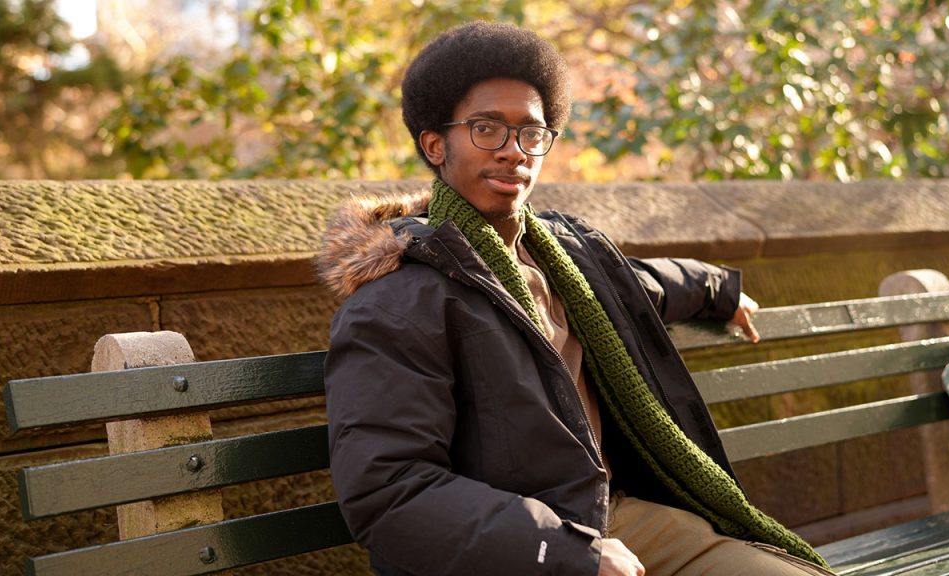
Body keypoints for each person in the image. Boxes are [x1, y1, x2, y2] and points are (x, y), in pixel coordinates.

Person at [320, 21, 833, 576]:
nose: (514, 152)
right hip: (519, 554)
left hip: (615, 518)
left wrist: (716, 289)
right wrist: (562, 550)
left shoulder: (562, 259)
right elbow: (389, 493)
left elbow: (639, 288)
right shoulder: (396, 302)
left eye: (531, 133)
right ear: (435, 144)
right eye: (487, 129)